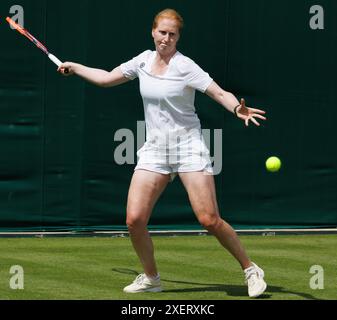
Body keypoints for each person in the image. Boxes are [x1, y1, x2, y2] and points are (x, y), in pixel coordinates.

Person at [58, 8, 267, 298]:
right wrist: (76, 67)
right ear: (153, 32)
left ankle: (251, 269)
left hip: (188, 146)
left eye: (172, 34)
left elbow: (219, 93)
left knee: (208, 219)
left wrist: (236, 108)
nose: (166, 38)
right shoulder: (142, 61)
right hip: (155, 149)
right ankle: (152, 277)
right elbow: (106, 78)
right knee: (134, 219)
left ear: (178, 37)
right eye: (162, 32)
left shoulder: (186, 66)